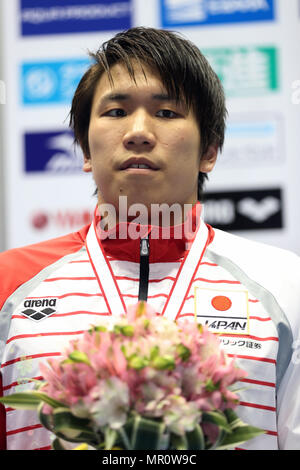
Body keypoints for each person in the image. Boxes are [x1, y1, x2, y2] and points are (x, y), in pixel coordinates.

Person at [0, 27, 300, 451]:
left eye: (166, 112)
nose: (138, 131)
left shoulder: (286, 283)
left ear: (209, 150)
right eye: (117, 111)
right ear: (85, 150)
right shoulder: (8, 281)